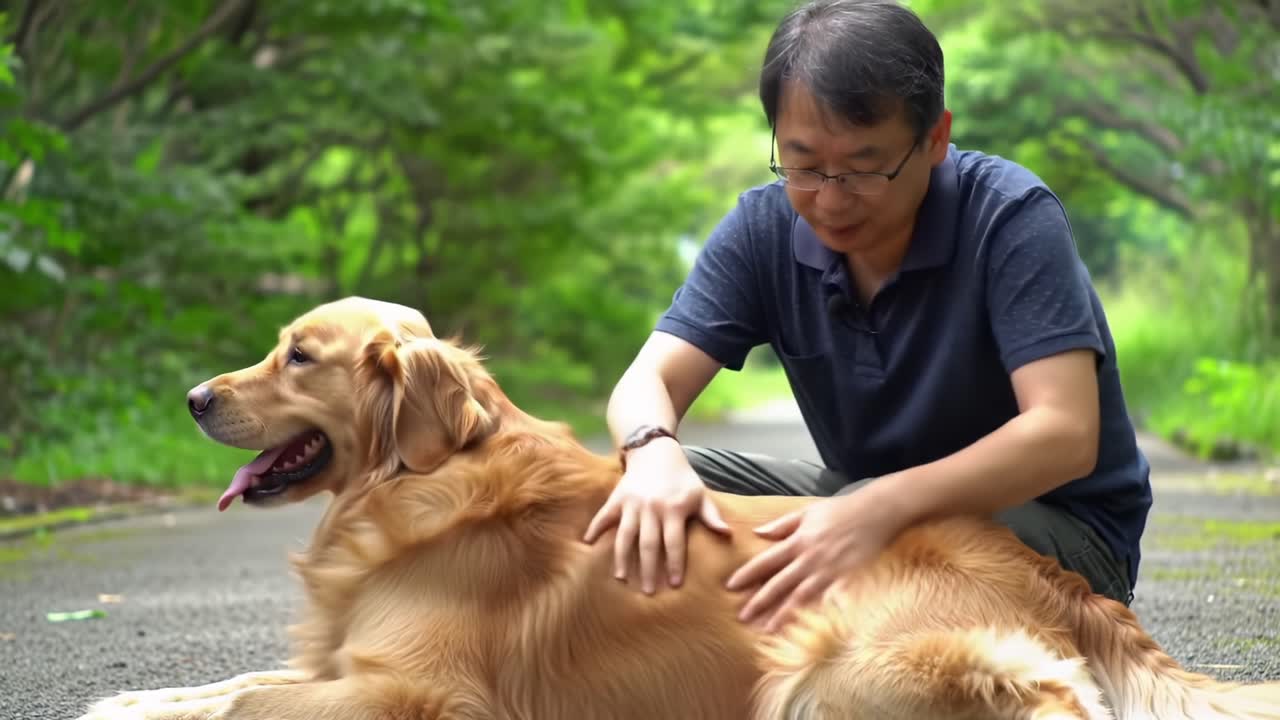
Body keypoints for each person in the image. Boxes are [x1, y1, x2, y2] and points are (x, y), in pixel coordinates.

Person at [582, 0, 1154, 633]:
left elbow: (1064, 434)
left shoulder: (1008, 216)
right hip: (866, 501)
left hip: (1065, 539)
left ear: (935, 139)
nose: (830, 201)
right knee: (630, 492)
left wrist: (878, 507)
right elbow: (648, 381)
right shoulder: (763, 228)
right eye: (803, 164)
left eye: (863, 168)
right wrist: (651, 453)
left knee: (854, 525)